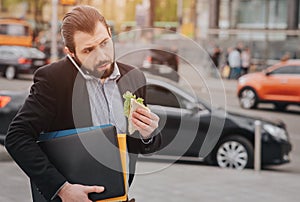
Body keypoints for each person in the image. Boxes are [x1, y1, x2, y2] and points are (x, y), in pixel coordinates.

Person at [5, 5, 161, 202]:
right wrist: (62, 189)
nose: (101, 56)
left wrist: (148, 134)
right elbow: (17, 137)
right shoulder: (53, 80)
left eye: (104, 43)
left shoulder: (134, 77)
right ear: (71, 52)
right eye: (88, 50)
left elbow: (138, 146)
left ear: (110, 34)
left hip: (121, 197)